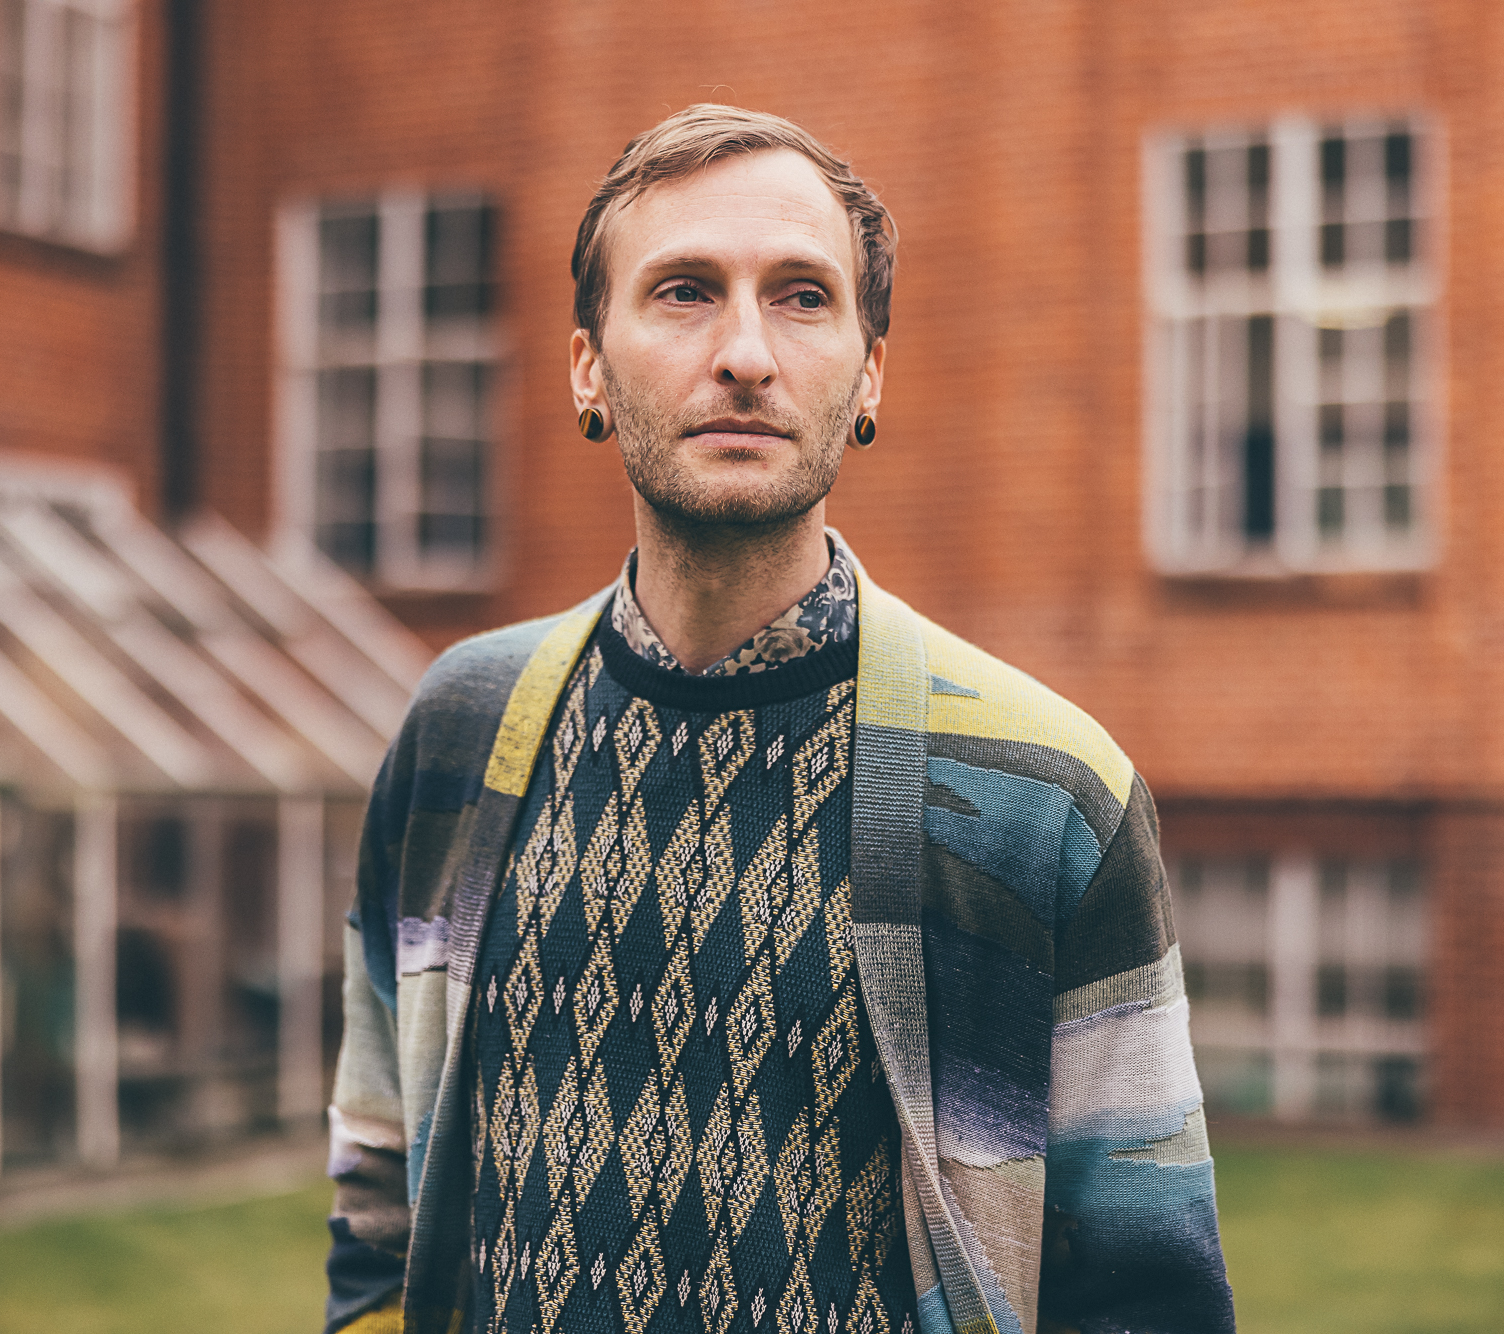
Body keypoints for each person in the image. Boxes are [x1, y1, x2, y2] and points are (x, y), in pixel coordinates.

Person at [322, 104, 1235, 1334]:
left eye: (801, 296)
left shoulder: (1043, 793)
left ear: (868, 373)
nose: (745, 351)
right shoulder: (459, 734)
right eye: (685, 291)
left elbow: (1145, 1295)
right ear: (587, 364)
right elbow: (378, 1208)